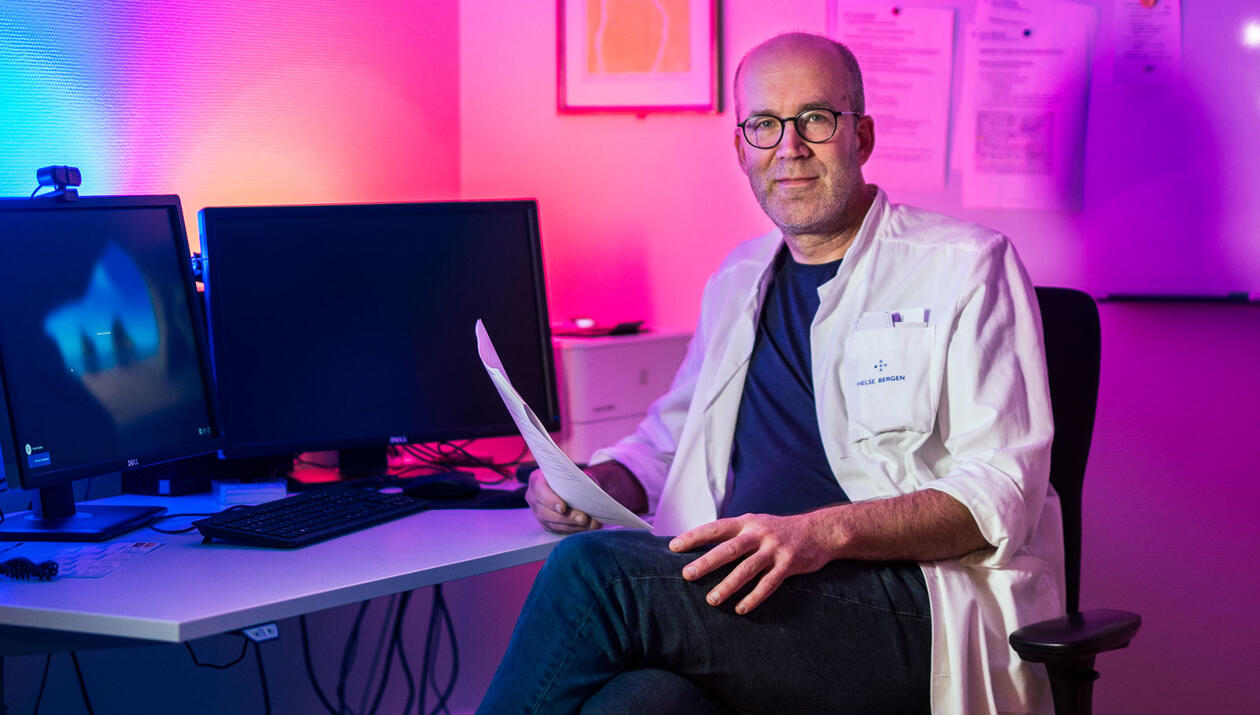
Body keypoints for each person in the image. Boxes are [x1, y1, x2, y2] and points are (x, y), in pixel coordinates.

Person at [481, 32, 1063, 715]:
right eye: (764, 124)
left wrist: (819, 533)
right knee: (640, 700)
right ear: (741, 148)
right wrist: (595, 482)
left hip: (907, 608)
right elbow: (667, 443)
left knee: (594, 576)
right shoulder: (737, 279)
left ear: (862, 135)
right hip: (753, 603)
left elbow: (1002, 491)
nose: (789, 146)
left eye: (815, 118)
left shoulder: (966, 266)